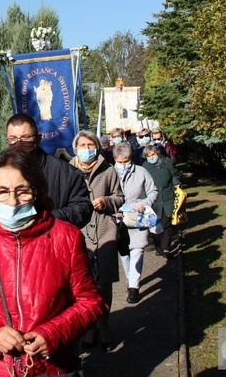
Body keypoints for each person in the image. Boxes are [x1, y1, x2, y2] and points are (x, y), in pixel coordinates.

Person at [0, 150, 102, 376]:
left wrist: (54, 333)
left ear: (36, 191)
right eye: (2, 192)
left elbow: (89, 301)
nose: (13, 201)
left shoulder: (67, 237)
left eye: (22, 191)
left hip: (51, 366)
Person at [69, 130, 124, 352]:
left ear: (97, 148)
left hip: (104, 231)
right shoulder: (69, 170)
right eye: (82, 145)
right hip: (78, 233)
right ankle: (89, 327)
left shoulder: (108, 170)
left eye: (90, 145)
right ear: (75, 148)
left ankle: (104, 326)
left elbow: (120, 197)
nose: (86, 149)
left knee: (104, 283)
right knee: (82, 284)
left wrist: (107, 201)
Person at [5, 114, 92, 228]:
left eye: (26, 137)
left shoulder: (66, 173)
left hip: (54, 240)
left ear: (38, 138)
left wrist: (47, 219)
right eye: (13, 139)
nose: (19, 144)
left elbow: (83, 209)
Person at [113, 142, 158, 304]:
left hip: (138, 218)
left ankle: (134, 286)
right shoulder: (110, 172)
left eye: (126, 161)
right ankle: (130, 278)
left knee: (137, 251)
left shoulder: (141, 172)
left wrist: (145, 204)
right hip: (118, 219)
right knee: (124, 253)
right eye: (120, 162)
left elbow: (153, 191)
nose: (124, 165)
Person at [141, 144, 183, 258]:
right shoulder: (144, 167)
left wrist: (176, 183)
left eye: (153, 154)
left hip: (167, 197)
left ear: (157, 153)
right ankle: (158, 247)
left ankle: (165, 248)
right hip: (153, 201)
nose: (151, 157)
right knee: (154, 225)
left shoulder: (166, 162)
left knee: (166, 223)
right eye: (148, 156)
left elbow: (174, 175)